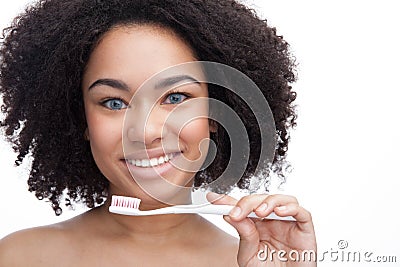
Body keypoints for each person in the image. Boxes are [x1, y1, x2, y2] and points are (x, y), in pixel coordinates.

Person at [0, 0, 316, 266]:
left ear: (217, 112)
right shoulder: (20, 257)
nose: (146, 131)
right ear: (80, 118)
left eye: (175, 98)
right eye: (113, 102)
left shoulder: (258, 261)